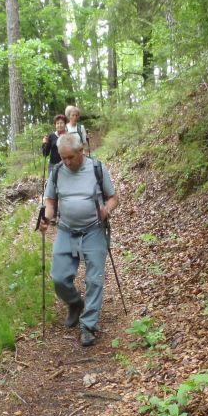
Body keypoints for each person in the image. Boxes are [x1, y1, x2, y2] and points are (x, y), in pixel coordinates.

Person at [37, 133, 118, 346]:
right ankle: (75, 302)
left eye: (70, 157)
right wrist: (46, 218)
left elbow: (113, 198)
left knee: (94, 279)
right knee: (59, 277)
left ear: (80, 152)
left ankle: (89, 325)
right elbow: (51, 202)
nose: (66, 162)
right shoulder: (56, 172)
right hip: (66, 230)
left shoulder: (97, 169)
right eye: (63, 157)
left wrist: (106, 210)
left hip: (93, 230)